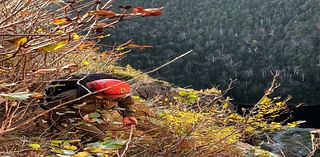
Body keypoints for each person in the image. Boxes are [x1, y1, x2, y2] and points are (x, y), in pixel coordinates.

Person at [41, 73, 137, 140]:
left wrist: (128, 115)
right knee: (99, 136)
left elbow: (124, 100)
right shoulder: (73, 95)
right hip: (70, 115)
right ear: (98, 95)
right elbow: (53, 110)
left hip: (90, 113)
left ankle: (84, 143)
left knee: (106, 132)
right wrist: (80, 117)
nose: (112, 100)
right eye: (108, 98)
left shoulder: (113, 90)